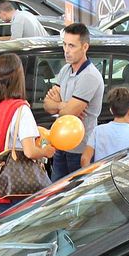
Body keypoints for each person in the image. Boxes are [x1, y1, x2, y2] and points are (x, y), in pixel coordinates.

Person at [0, 52, 53, 212]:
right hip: (22, 183)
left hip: (2, 179)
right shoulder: (20, 109)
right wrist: (46, 151)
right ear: (18, 77)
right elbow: (29, 151)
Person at [42, 23, 103, 181]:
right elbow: (47, 105)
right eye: (64, 44)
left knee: (75, 196)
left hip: (79, 149)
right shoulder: (65, 70)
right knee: (56, 194)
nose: (66, 50)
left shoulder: (89, 76)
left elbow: (69, 113)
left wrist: (62, 107)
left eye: (72, 46)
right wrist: (62, 105)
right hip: (60, 144)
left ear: (85, 47)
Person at [81, 87, 129, 166]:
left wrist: (90, 177)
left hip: (101, 176)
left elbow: (85, 158)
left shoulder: (98, 130)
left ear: (111, 110)